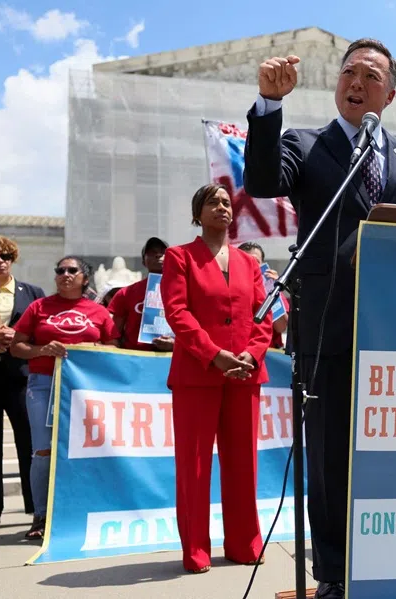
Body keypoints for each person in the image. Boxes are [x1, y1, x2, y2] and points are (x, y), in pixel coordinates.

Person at [243, 38, 396, 597]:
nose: (356, 81)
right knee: (329, 461)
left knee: (392, 454)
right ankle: (334, 573)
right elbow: (261, 182)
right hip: (326, 328)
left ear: (391, 93)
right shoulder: (305, 144)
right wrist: (267, 104)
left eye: (370, 75)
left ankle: (390, 559)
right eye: (348, 71)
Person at [160, 183, 274, 573]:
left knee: (243, 464)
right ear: (198, 213)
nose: (222, 208)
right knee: (193, 466)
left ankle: (244, 543)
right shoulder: (179, 257)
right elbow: (178, 313)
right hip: (198, 374)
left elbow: (263, 317)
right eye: (213, 202)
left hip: (245, 373)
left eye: (227, 203)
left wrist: (251, 353)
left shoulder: (249, 264)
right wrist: (214, 355)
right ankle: (195, 549)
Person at [10, 256, 119, 539]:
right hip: (44, 383)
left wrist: (93, 347)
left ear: (85, 278)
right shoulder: (39, 307)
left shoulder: (98, 311)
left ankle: (79, 512)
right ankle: (40, 516)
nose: (65, 275)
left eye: (73, 271)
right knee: (43, 451)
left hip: (85, 389)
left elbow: (113, 345)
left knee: (83, 450)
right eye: (60, 270)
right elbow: (17, 346)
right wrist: (43, 350)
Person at [0, 236, 44, 531]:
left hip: (20, 375)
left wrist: (15, 334)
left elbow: (42, 328)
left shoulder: (33, 292)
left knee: (28, 440)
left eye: (5, 256)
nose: (0, 261)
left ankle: (36, 508)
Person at [108, 237, 173, 352]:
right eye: (151, 253)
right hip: (136, 359)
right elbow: (114, 335)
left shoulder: (187, 291)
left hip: (173, 359)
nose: (158, 255)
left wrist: (175, 343)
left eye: (163, 252)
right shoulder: (125, 293)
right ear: (143, 261)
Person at [238, 241, 289, 349]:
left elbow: (281, 327)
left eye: (255, 261)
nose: (251, 264)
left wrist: (272, 291)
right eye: (245, 260)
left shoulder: (272, 290)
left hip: (267, 355)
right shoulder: (228, 288)